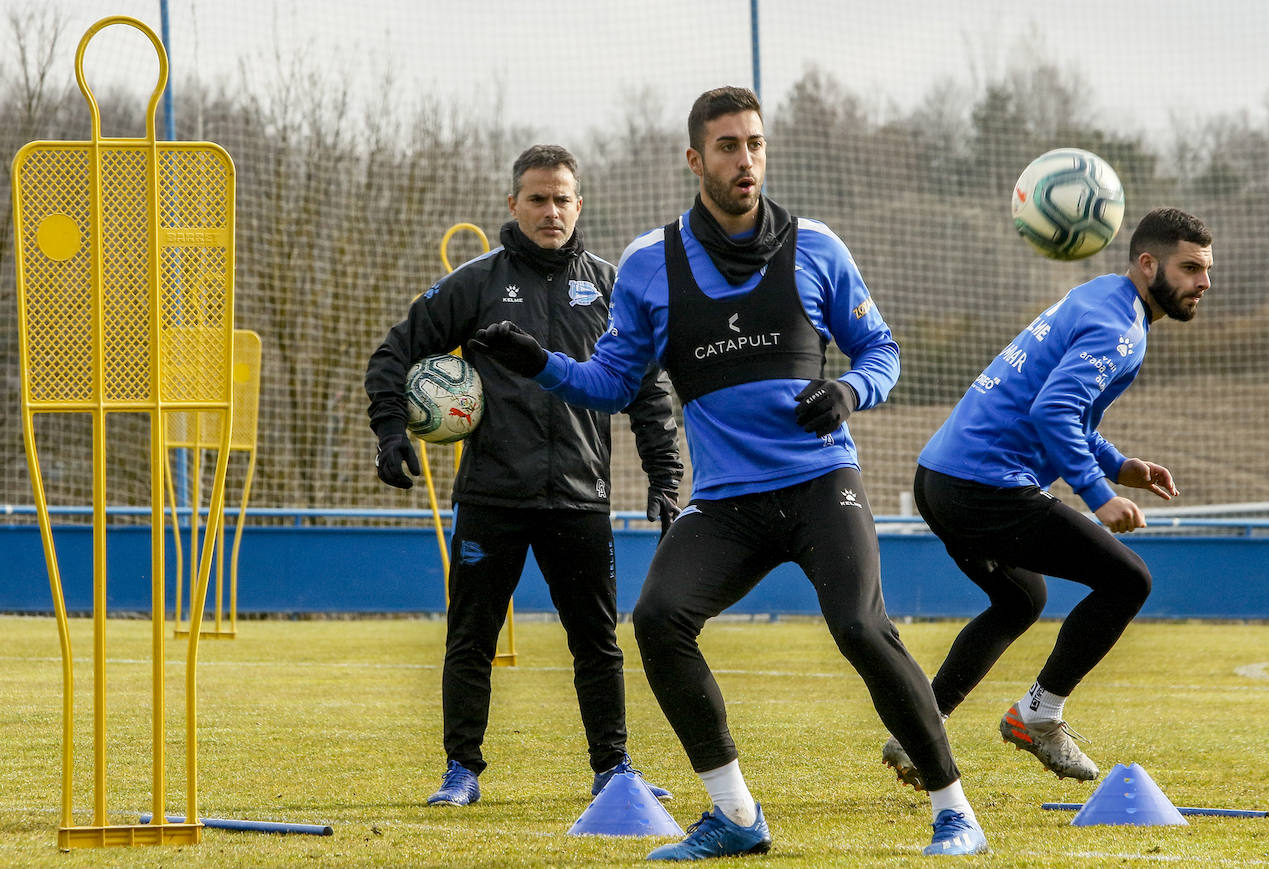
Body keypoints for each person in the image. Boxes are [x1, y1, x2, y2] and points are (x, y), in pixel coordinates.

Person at [470, 87, 988, 859]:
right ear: (694, 159)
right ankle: (737, 816)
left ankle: (956, 812)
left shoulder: (817, 247)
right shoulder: (650, 265)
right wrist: (539, 363)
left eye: (754, 143)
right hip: (728, 502)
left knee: (859, 624)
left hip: (821, 483)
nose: (745, 160)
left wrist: (849, 389)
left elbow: (883, 353)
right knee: (658, 621)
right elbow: (612, 384)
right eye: (727, 146)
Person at [364, 144, 683, 808]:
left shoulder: (609, 284)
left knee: (597, 639)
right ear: (513, 204)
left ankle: (613, 769)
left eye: (562, 197)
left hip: (581, 496)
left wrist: (664, 475)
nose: (551, 210)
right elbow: (397, 348)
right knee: (471, 634)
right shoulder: (478, 283)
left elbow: (648, 391)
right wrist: (392, 427)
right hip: (492, 495)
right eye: (537, 198)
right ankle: (461, 770)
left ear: (580, 204)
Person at [881, 207, 1213, 790]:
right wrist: (1098, 493)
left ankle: (918, 731)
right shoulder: (1119, 328)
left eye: (1207, 270)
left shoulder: (1100, 297)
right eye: (1189, 268)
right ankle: (1039, 716)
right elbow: (1053, 410)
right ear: (1147, 263)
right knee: (1127, 581)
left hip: (940, 478)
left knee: (1019, 600)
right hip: (985, 487)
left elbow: (1059, 405)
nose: (1203, 283)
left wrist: (1119, 464)